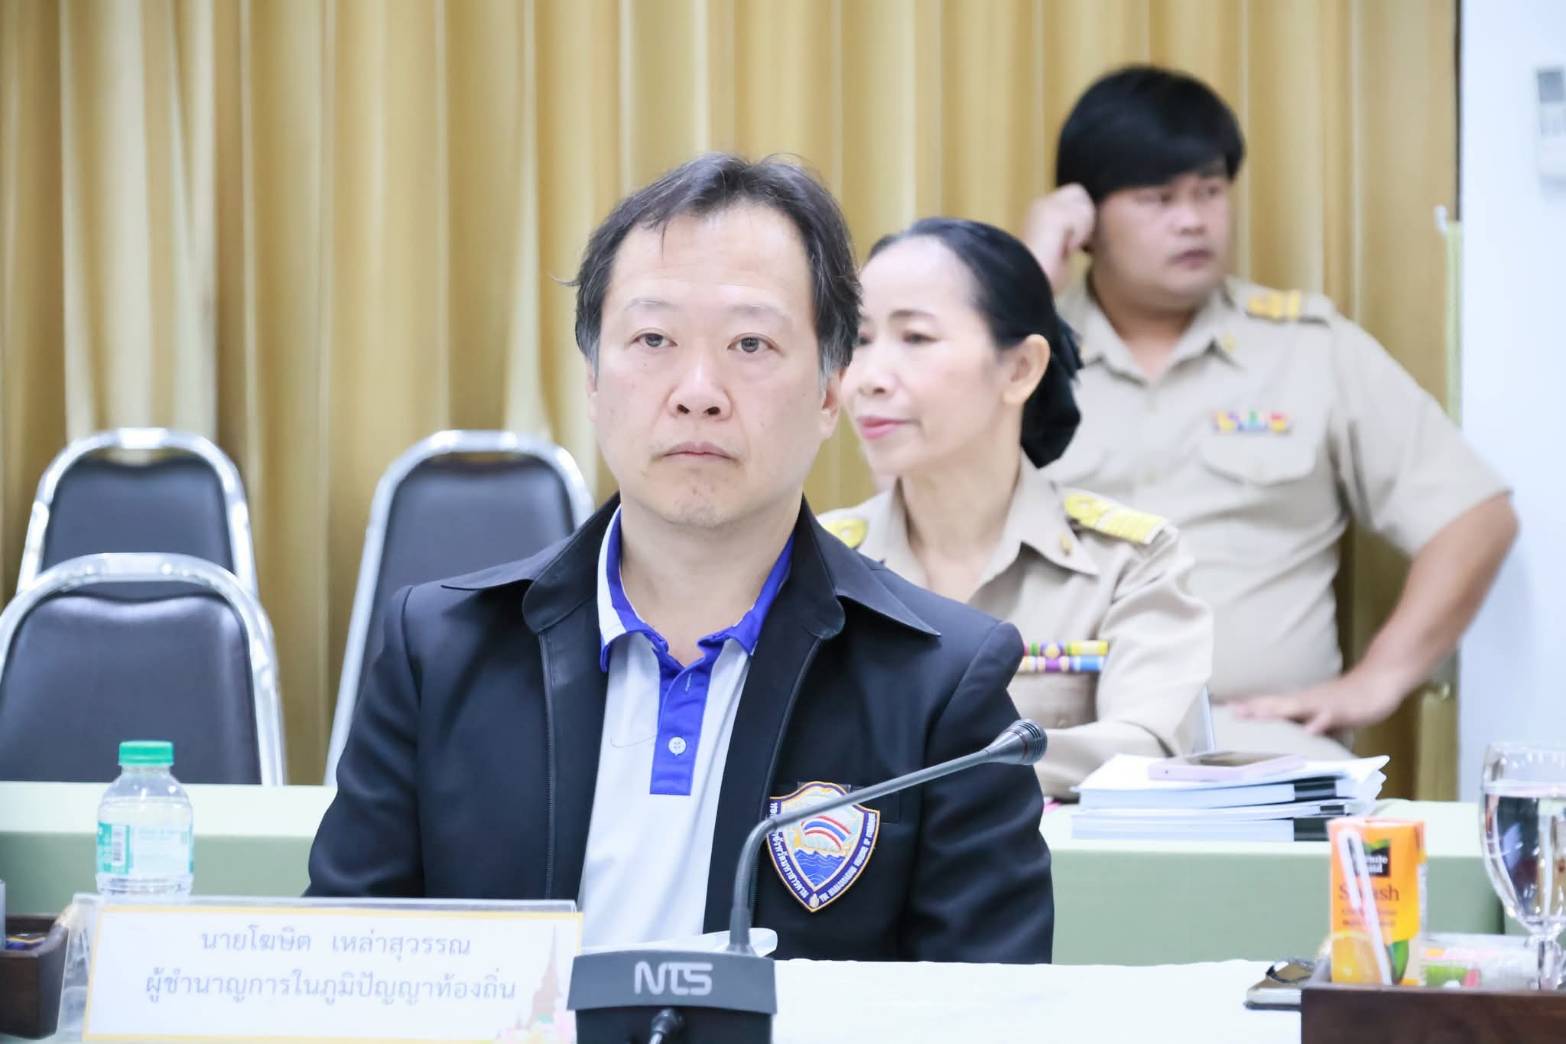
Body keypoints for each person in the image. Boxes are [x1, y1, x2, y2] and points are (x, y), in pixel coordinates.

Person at [308, 154, 1055, 963]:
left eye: (750, 343)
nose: (698, 390)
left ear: (829, 391)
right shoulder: (443, 649)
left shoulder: (941, 686)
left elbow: (985, 1006)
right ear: (594, 381)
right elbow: (346, 972)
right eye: (653, 339)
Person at [1023, 65, 1517, 757]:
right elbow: (919, 505)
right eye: (1157, 197)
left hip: (1257, 746)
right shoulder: (1019, 361)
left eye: (1209, 190)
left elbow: (1474, 515)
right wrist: (1022, 286)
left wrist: (1377, 680)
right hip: (1058, 744)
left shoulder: (1307, 350)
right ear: (1085, 219)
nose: (1192, 219)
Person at [820, 218, 1212, 798]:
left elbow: (1147, 750)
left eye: (916, 338)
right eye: (859, 341)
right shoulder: (818, 562)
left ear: (1021, 368)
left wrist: (925, 766)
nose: (869, 379)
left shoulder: (1128, 561)